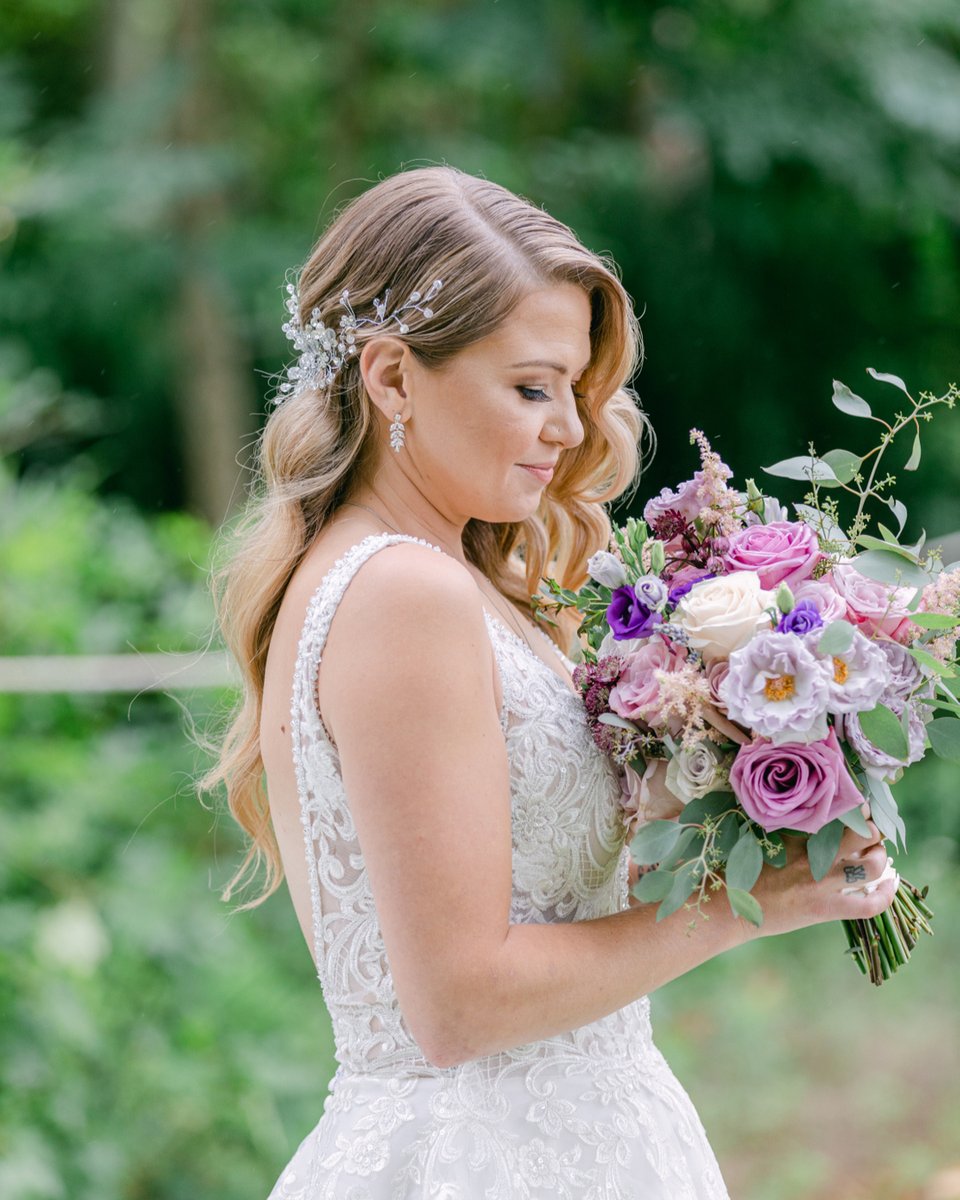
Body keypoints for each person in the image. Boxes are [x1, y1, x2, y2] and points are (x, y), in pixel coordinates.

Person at [205, 165, 898, 1198]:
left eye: (575, 391)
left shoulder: (446, 582)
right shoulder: (406, 593)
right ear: (392, 379)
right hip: (486, 1158)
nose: (570, 429)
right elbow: (461, 1003)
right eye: (531, 387)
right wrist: (746, 903)